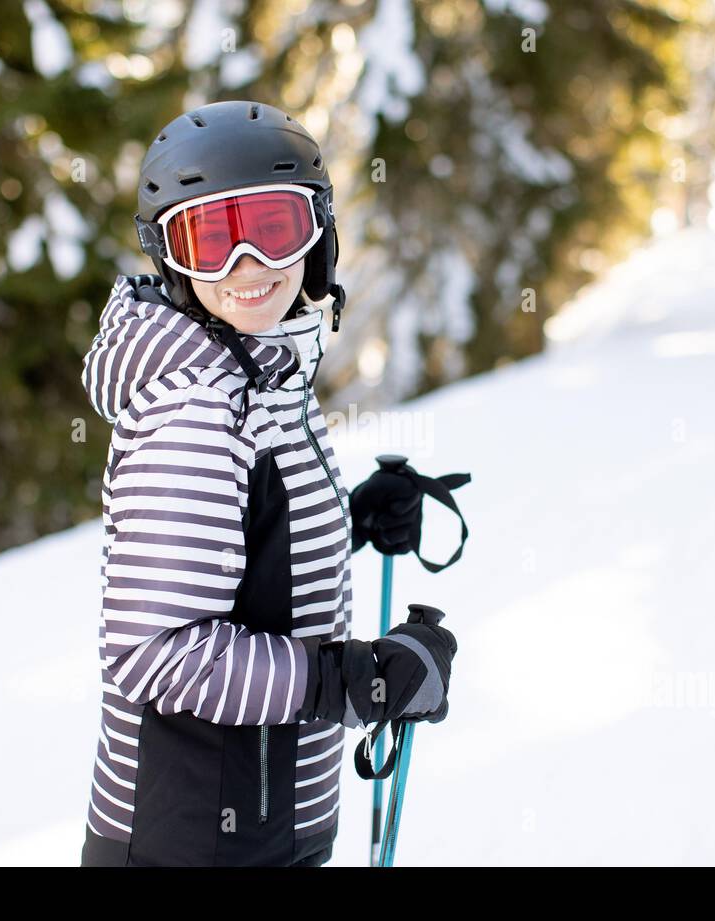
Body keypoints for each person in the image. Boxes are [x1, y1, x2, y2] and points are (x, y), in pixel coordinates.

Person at [77, 100, 458, 867]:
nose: (246, 265)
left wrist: (343, 523)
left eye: (273, 229)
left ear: (316, 235)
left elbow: (232, 552)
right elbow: (157, 650)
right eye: (211, 237)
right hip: (194, 841)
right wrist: (354, 681)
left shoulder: (258, 372)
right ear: (170, 254)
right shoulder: (197, 405)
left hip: (261, 823)